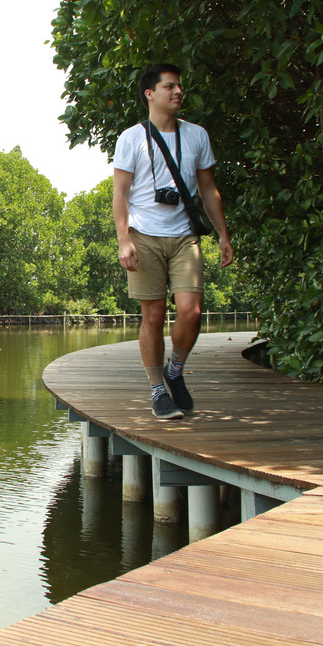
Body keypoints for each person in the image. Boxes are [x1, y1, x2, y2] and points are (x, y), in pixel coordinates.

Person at [113, 63, 234, 419]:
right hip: (144, 235)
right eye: (170, 87)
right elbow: (120, 193)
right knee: (152, 314)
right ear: (150, 94)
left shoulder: (196, 135)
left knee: (191, 312)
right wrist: (124, 240)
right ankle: (156, 391)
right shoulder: (131, 138)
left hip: (185, 236)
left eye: (179, 86)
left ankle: (175, 370)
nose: (178, 92)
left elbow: (209, 189)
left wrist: (224, 233)